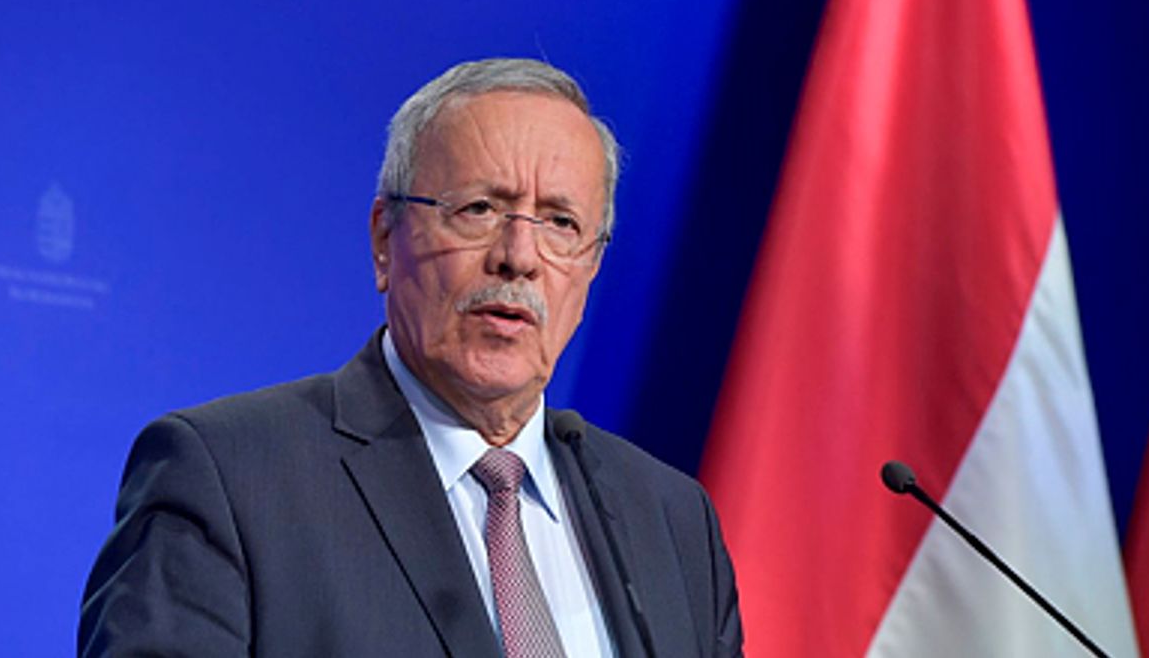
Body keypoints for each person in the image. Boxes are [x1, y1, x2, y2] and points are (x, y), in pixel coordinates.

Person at [78, 58, 743, 657]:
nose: (518, 256)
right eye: (479, 209)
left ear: (591, 263)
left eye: (560, 223)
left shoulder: (672, 519)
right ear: (383, 239)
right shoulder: (229, 479)